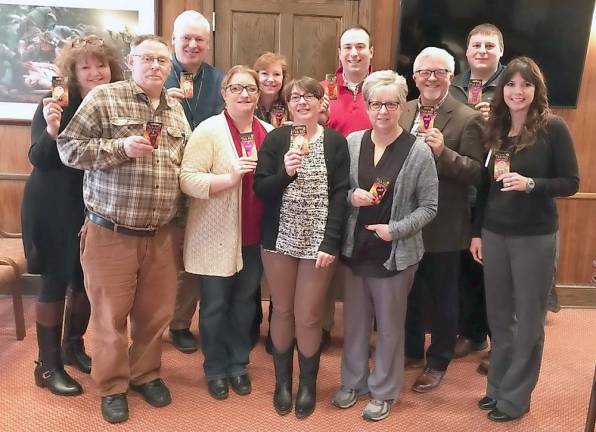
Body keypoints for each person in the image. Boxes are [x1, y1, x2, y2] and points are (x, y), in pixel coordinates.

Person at [57, 35, 191, 424]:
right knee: (110, 317)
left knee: (155, 314)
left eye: (162, 61)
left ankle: (145, 374)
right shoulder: (103, 99)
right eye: (147, 58)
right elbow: (69, 149)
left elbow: (179, 169)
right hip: (111, 232)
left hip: (162, 233)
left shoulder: (176, 111)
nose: (154, 66)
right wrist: (119, 148)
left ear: (170, 68)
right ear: (131, 61)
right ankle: (113, 385)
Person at [470, 56, 579, 422]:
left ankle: (516, 398)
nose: (518, 91)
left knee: (530, 320)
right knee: (499, 318)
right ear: (503, 89)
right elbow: (484, 189)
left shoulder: (554, 128)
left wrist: (531, 184)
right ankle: (497, 388)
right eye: (511, 84)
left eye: (525, 84)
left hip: (534, 237)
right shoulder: (497, 129)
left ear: (536, 90)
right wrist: (476, 233)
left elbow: (571, 183)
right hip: (494, 234)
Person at [330, 70, 438, 421]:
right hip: (356, 248)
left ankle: (385, 390)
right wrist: (351, 196)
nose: (383, 111)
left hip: (394, 253)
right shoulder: (353, 142)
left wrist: (396, 229)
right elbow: (339, 192)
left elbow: (430, 207)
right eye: (376, 103)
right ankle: (353, 381)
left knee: (390, 326)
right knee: (356, 322)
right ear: (367, 104)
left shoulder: (418, 151)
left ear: (401, 108)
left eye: (391, 104)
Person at [21, 35, 123, 397]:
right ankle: (46, 367)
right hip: (51, 204)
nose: (95, 73)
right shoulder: (55, 104)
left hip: (91, 204)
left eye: (101, 65)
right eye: (86, 67)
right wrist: (51, 130)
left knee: (83, 280)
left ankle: (73, 346)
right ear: (73, 73)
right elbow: (38, 158)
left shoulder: (114, 103)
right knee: (55, 280)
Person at [254, 77, 349, 418]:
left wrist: (331, 241)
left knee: (308, 316)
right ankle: (283, 383)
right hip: (279, 240)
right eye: (296, 97)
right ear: (288, 104)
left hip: (318, 244)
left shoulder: (336, 143)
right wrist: (286, 172)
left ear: (322, 104)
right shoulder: (276, 139)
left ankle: (307, 385)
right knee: (281, 310)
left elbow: (341, 195)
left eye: (310, 96)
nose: (302, 102)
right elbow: (261, 189)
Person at [180, 65, 273, 400]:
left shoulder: (268, 130)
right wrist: (227, 180)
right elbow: (187, 179)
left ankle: (238, 365)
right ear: (224, 93)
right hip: (216, 234)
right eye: (236, 88)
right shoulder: (208, 131)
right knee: (216, 305)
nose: (244, 94)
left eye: (250, 88)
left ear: (258, 94)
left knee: (245, 303)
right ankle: (215, 369)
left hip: (255, 237)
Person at [400, 47, 484, 392]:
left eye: (439, 72)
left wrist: (442, 153)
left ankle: (438, 361)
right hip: (405, 223)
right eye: (424, 72)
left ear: (451, 76)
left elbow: (478, 174)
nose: (431, 78)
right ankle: (411, 351)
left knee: (444, 298)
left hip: (446, 227)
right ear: (415, 77)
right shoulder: (401, 111)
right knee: (409, 294)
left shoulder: (468, 118)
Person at [165, 10, 224, 354]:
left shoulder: (218, 80)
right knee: (160, 259)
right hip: (162, 181)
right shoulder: (157, 73)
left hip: (204, 181)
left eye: (199, 39)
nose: (192, 44)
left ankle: (179, 323)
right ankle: (150, 324)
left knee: (191, 260)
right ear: (173, 39)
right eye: (185, 37)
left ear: (208, 43)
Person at [450, 23, 505, 364]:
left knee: (495, 274)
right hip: (459, 192)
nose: (482, 51)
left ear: (501, 51)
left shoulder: (513, 85)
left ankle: (501, 344)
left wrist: (494, 120)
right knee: (465, 271)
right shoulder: (454, 86)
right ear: (466, 52)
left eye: (489, 45)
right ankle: (472, 334)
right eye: (476, 45)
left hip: (496, 193)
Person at [319, 25, 374, 348]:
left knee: (362, 266)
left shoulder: (382, 88)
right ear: (339, 53)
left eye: (360, 47)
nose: (354, 53)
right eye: (348, 47)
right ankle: (321, 327)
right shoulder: (324, 90)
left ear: (371, 53)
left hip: (370, 191)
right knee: (324, 259)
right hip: (329, 186)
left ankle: (360, 331)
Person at [252, 51, 290, 350]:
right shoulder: (244, 103)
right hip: (254, 187)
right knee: (253, 265)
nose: (270, 79)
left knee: (281, 268)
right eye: (264, 73)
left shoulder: (292, 106)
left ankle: (277, 328)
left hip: (284, 191)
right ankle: (251, 323)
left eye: (276, 74)